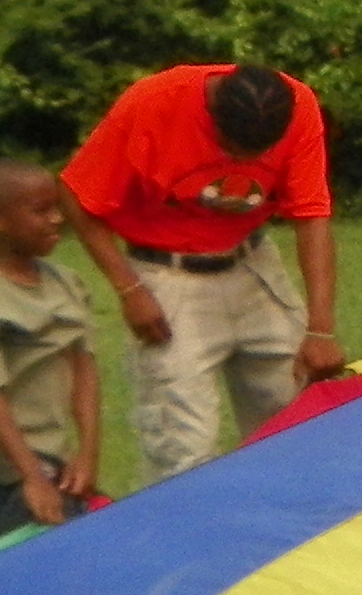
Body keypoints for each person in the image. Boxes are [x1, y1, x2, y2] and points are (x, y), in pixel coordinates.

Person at [59, 61, 344, 479]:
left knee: (299, 420)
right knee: (183, 446)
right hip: (167, 275)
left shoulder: (299, 104)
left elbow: (312, 216)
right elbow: (77, 196)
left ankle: (293, 533)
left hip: (251, 264)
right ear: (212, 115)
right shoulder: (152, 104)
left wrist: (320, 328)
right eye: (234, 148)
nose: (244, 161)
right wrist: (130, 288)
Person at [0, 156, 103, 545]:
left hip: (56, 457)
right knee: (0, 563)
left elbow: (84, 368)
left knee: (65, 555)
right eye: (40, 211)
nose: (56, 220)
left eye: (57, 209)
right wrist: (30, 475)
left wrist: (87, 452)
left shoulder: (67, 284)